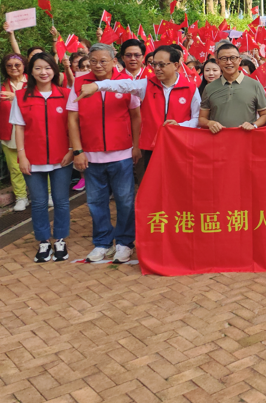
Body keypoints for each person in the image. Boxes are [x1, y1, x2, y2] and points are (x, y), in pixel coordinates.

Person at [67, 44, 141, 264]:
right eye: (93, 61)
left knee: (125, 201)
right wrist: (78, 150)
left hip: (122, 154)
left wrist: (136, 145)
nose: (98, 65)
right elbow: (72, 118)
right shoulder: (80, 83)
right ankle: (102, 242)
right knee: (95, 201)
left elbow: (136, 116)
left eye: (103, 61)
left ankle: (125, 242)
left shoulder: (126, 83)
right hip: (91, 155)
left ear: (113, 60)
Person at [76, 45, 201, 170]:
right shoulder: (146, 84)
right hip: (152, 147)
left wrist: (180, 126)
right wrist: (97, 86)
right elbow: (123, 85)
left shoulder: (190, 89)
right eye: (154, 64)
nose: (157, 69)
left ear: (176, 65)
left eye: (162, 65)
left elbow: (197, 118)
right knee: (151, 186)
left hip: (180, 146)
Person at [10, 53, 74, 263]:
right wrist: (22, 156)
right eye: (38, 68)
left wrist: (72, 149)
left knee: (61, 201)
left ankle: (60, 240)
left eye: (47, 67)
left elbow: (74, 126)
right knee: (38, 203)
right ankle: (44, 241)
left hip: (62, 157)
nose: (43, 72)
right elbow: (19, 128)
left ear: (54, 70)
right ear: (31, 72)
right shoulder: (21, 96)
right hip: (32, 158)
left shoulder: (66, 94)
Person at [199, 43, 266, 132]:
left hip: (246, 140)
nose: (229, 62)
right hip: (218, 141)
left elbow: (265, 115)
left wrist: (254, 125)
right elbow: (202, 118)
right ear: (217, 62)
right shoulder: (209, 88)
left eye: (233, 58)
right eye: (224, 59)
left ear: (239, 60)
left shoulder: (255, 85)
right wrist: (209, 123)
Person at [2, 53, 27, 211]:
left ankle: (48, 194)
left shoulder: (33, 82)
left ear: (24, 65)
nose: (13, 68)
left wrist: (16, 96)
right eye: (9, 66)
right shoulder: (2, 86)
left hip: (32, 131)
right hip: (8, 134)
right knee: (15, 168)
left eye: (17, 65)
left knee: (41, 165)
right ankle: (21, 197)